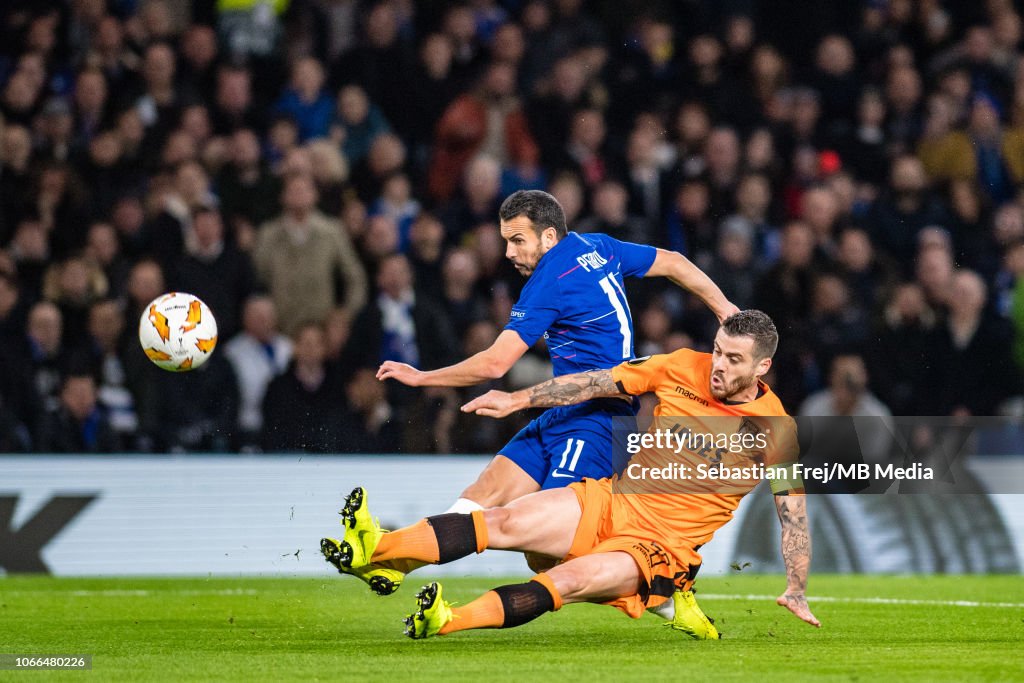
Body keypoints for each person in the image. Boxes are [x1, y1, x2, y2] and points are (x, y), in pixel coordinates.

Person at [324, 310, 819, 639]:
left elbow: (793, 516)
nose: (718, 365)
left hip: (660, 547)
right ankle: (379, 549)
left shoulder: (775, 428)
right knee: (506, 522)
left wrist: (796, 585)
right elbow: (594, 382)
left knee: (568, 579)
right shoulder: (681, 366)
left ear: (763, 367)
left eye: (734, 359)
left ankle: (447, 620)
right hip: (613, 501)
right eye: (717, 350)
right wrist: (516, 399)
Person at [376, 189, 736, 512]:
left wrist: (423, 376)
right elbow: (674, 261)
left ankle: (656, 575)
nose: (508, 252)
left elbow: (495, 364)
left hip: (599, 420)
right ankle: (387, 558)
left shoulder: (549, 282)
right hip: (561, 409)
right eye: (506, 241)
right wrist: (724, 309)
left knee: (546, 538)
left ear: (548, 236)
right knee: (480, 494)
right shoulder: (596, 246)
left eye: (517, 240)